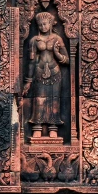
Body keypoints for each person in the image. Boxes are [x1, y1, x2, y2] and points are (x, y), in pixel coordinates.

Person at [23, 10, 69, 139]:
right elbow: (31, 62)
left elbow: (67, 59)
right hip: (39, 71)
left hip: (55, 72)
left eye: (45, 24)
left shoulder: (57, 39)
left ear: (50, 24)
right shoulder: (34, 40)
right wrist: (28, 81)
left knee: (54, 100)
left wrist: (57, 53)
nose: (43, 27)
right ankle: (37, 126)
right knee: (39, 100)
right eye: (40, 25)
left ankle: (53, 127)